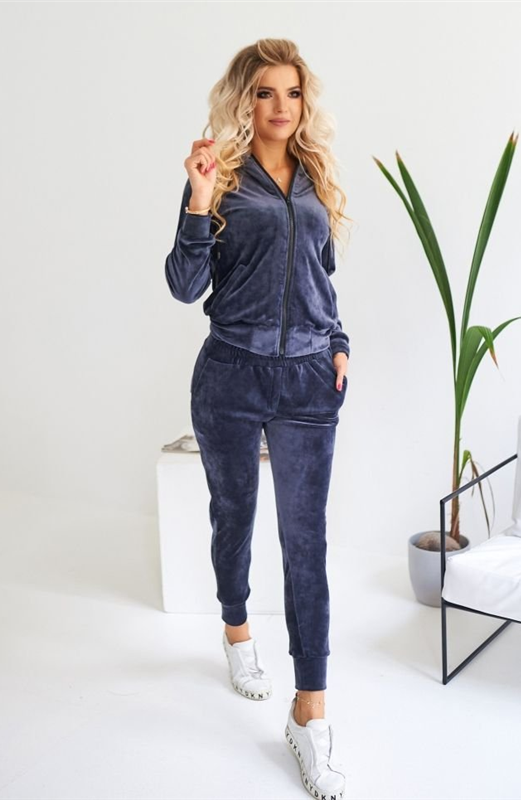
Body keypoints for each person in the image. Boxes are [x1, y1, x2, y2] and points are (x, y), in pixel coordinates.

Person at [164, 38, 350, 800]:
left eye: (293, 93)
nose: (281, 106)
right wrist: (198, 197)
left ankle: (311, 715)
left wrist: (338, 344)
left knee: (306, 544)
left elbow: (321, 279)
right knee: (233, 515)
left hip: (308, 382)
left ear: (305, 102)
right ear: (245, 99)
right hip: (232, 376)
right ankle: (237, 629)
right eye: (266, 92)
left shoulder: (315, 178)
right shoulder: (221, 177)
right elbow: (184, 285)